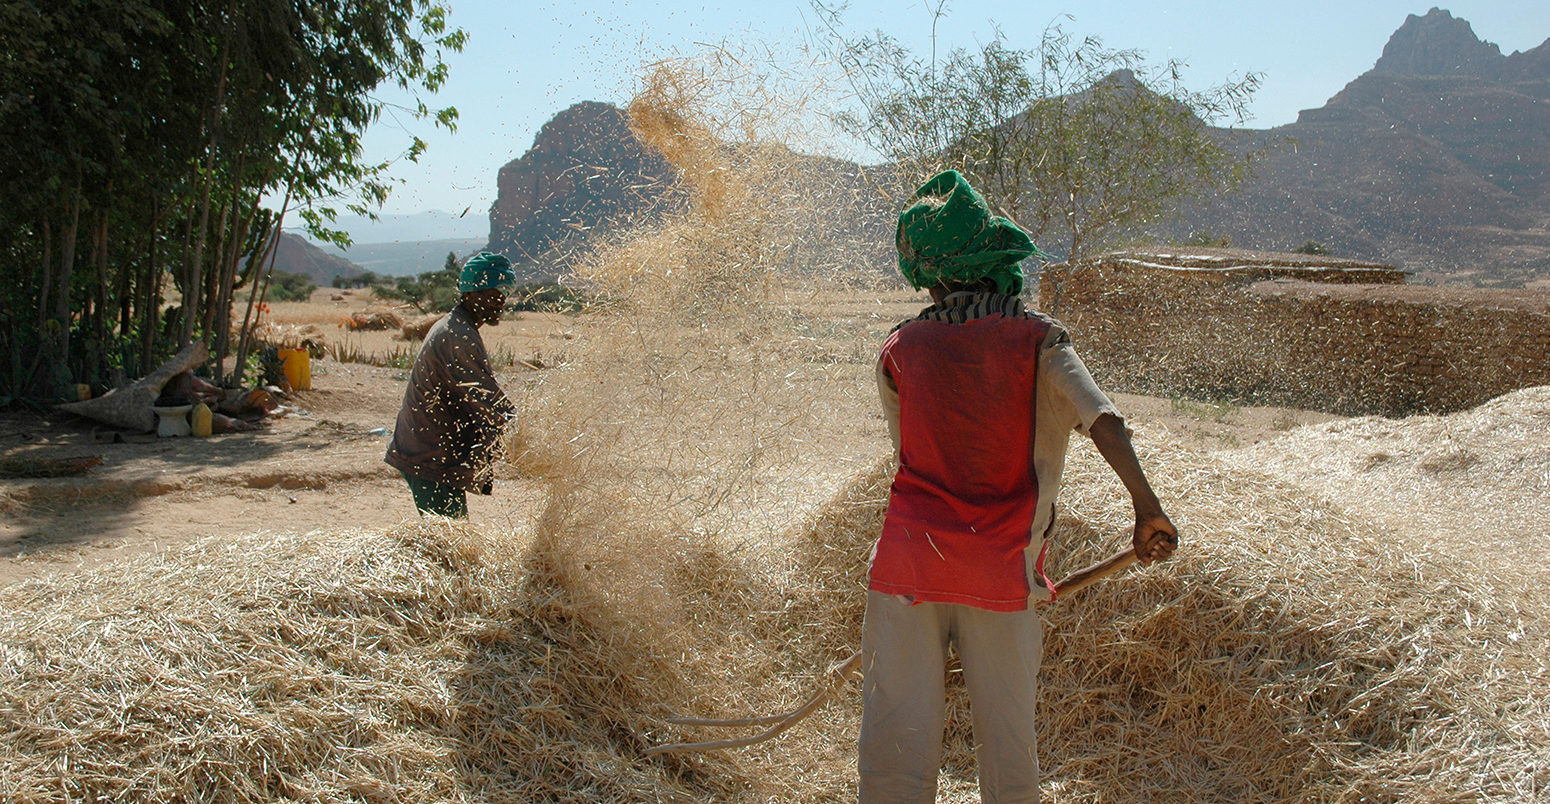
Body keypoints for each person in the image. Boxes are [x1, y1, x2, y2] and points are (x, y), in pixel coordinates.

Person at [859, 170, 1178, 803]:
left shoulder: (901, 348)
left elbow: (908, 456)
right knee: (1007, 743)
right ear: (997, 257)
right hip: (1000, 575)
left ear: (935, 274)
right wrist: (1147, 508)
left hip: (905, 567)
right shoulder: (1041, 343)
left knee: (896, 738)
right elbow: (1105, 422)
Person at [384, 252, 518, 518]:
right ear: (470, 293)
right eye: (493, 292)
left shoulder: (458, 327)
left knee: (453, 538)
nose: (500, 301)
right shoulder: (457, 336)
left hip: (434, 454)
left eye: (504, 292)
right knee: (451, 542)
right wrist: (523, 430)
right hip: (428, 456)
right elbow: (486, 400)